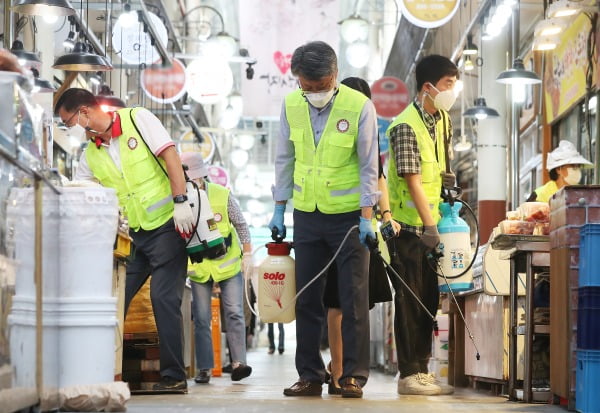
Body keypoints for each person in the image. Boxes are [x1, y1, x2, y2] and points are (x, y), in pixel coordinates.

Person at [55, 88, 194, 393]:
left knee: (163, 299)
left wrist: (181, 200)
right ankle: (98, 369)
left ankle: (174, 377)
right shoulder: (90, 154)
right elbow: (82, 192)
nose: (70, 130)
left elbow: (170, 155)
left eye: (69, 123)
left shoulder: (138, 119)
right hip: (132, 238)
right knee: (112, 300)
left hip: (167, 226)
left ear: (85, 113)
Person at [269, 40, 379, 399]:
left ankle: (351, 376)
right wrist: (279, 208)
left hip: (348, 219)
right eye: (306, 86)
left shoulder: (359, 105)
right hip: (307, 214)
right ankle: (310, 375)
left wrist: (367, 216)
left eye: (319, 86)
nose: (312, 92)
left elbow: (368, 165)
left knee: (353, 297)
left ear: (333, 75)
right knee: (306, 298)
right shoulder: (290, 105)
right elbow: (284, 159)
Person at [385, 54, 458, 396]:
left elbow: (441, 167)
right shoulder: (403, 126)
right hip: (409, 228)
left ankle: (424, 370)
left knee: (429, 300)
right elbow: (412, 181)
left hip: (433, 223)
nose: (452, 91)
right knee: (409, 299)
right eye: (447, 84)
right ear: (428, 87)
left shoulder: (442, 120)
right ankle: (408, 373)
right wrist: (432, 228)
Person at [323, 76, 400, 395]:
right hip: (333, 226)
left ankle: (348, 369)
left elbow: (378, 179)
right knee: (338, 304)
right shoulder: (328, 133)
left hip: (362, 227)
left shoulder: (370, 134)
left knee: (359, 303)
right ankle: (339, 370)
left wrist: (386, 215)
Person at [180, 151, 253, 384]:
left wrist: (248, 254)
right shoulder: (179, 200)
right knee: (201, 318)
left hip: (228, 265)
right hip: (201, 269)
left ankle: (239, 363)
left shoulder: (222, 195)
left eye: (192, 178)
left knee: (234, 313)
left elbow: (240, 224)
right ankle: (204, 368)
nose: (190, 182)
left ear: (201, 176)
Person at [526, 140, 592, 202]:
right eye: (573, 166)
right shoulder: (540, 195)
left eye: (578, 166)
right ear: (558, 169)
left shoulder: (583, 194)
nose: (577, 170)